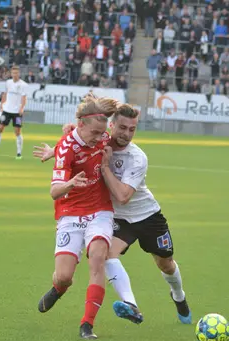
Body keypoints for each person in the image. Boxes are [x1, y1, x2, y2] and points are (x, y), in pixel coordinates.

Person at [34, 103, 192, 325]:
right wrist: (55, 151)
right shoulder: (101, 139)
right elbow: (78, 138)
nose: (127, 134)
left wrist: (105, 167)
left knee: (165, 264)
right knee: (104, 254)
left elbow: (123, 196)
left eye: (132, 129)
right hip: (118, 218)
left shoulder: (137, 158)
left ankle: (179, 296)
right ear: (112, 125)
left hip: (147, 216)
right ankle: (131, 305)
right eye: (122, 128)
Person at [37, 95, 120, 340]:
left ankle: (87, 325)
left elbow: (113, 134)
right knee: (64, 276)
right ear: (81, 125)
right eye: (95, 133)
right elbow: (54, 192)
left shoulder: (100, 134)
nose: (100, 139)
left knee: (97, 258)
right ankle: (58, 288)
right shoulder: (65, 148)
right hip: (70, 213)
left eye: (102, 133)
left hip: (100, 210)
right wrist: (71, 183)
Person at [0, 66, 28, 159]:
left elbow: (24, 98)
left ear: (19, 74)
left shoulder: (23, 85)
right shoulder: (8, 83)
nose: (15, 75)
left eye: (16, 73)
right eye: (13, 73)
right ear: (11, 74)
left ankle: (19, 153)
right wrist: (2, 104)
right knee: (0, 128)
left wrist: (22, 108)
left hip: (17, 112)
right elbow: (5, 94)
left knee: (17, 131)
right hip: (7, 110)